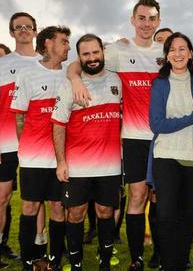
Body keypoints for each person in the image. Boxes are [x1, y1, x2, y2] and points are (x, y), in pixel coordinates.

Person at [70, 0, 164, 270]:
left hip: (163, 138)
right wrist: (76, 80)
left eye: (152, 18)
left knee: (161, 198)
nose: (147, 23)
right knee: (136, 196)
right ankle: (136, 258)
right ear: (133, 20)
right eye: (142, 18)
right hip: (134, 138)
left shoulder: (165, 51)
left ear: (158, 21)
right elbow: (77, 64)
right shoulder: (118, 51)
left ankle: (161, 253)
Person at [52, 33, 122, 271]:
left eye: (95, 52)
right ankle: (76, 263)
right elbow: (58, 125)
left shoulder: (117, 80)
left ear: (103, 52)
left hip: (110, 166)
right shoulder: (69, 84)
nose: (92, 58)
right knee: (76, 214)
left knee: (105, 211)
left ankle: (105, 263)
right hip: (77, 166)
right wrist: (61, 162)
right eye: (86, 54)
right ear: (79, 57)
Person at [0, 12, 40, 269]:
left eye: (28, 26)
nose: (24, 30)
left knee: (38, 199)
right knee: (2, 197)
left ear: (35, 32)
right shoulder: (1, 65)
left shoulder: (47, 63)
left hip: (38, 146)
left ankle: (39, 253)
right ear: (12, 33)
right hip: (6, 144)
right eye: (18, 27)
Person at [11, 26, 71, 271]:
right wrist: (27, 147)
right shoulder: (27, 74)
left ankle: (55, 260)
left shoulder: (71, 74)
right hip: (33, 158)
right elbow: (19, 118)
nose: (68, 46)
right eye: (64, 41)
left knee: (58, 207)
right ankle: (29, 259)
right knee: (30, 207)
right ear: (48, 43)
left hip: (61, 159)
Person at [147, 32, 193, 271]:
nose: (178, 53)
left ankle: (179, 263)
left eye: (183, 49)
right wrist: (192, 117)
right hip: (166, 156)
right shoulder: (160, 84)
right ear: (167, 55)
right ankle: (169, 263)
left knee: (187, 218)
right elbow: (157, 124)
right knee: (166, 216)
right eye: (173, 49)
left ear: (191, 53)